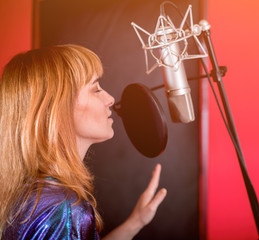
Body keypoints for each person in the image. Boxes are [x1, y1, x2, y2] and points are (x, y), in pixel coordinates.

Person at [0, 44, 167, 239]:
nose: (111, 99)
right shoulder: (64, 210)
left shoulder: (37, 194)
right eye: (96, 89)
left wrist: (136, 222)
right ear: (57, 108)